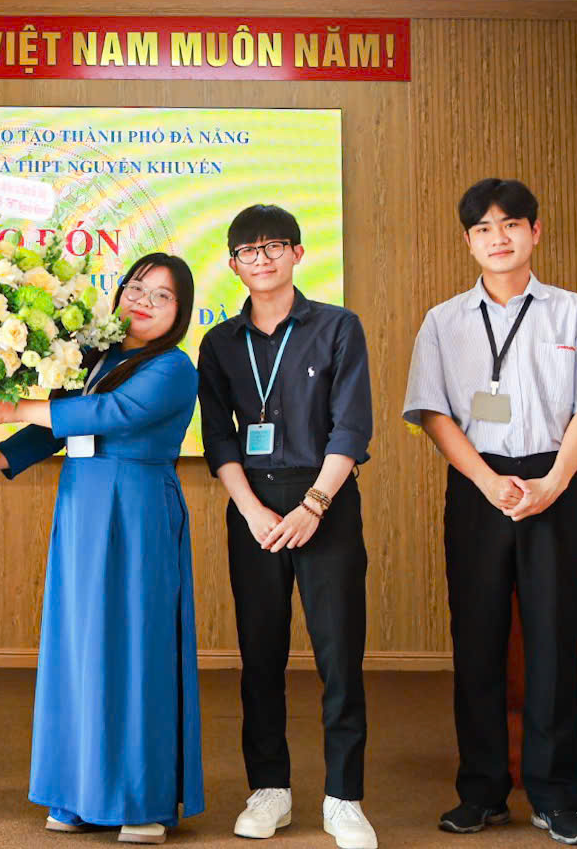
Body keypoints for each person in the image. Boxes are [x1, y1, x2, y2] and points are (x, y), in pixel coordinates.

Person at [403, 179, 577, 847]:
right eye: (482, 228)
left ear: (535, 231)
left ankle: (555, 797)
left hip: (553, 483)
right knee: (476, 641)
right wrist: (484, 479)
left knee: (554, 641)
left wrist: (554, 484)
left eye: (509, 224)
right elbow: (432, 412)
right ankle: (481, 791)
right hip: (478, 487)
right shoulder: (443, 321)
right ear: (467, 240)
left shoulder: (574, 313)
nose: (497, 238)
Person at [0, 253, 203, 845]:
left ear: (180, 312)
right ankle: (75, 791)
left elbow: (109, 414)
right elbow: (55, 428)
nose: (144, 301)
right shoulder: (96, 356)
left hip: (137, 509)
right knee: (77, 646)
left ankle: (139, 800)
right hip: (82, 505)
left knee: (135, 647)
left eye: (162, 296)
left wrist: (11, 408)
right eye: (136, 287)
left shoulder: (174, 367)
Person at [196, 204, 377, 849]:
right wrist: (252, 510)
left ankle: (344, 797)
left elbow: (352, 427)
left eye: (275, 246)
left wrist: (314, 504)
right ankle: (269, 788)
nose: (262, 258)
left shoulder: (337, 326)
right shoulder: (219, 343)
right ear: (233, 265)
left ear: (298, 253)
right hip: (254, 507)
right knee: (260, 654)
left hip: (325, 499)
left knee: (339, 656)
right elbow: (219, 437)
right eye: (249, 250)